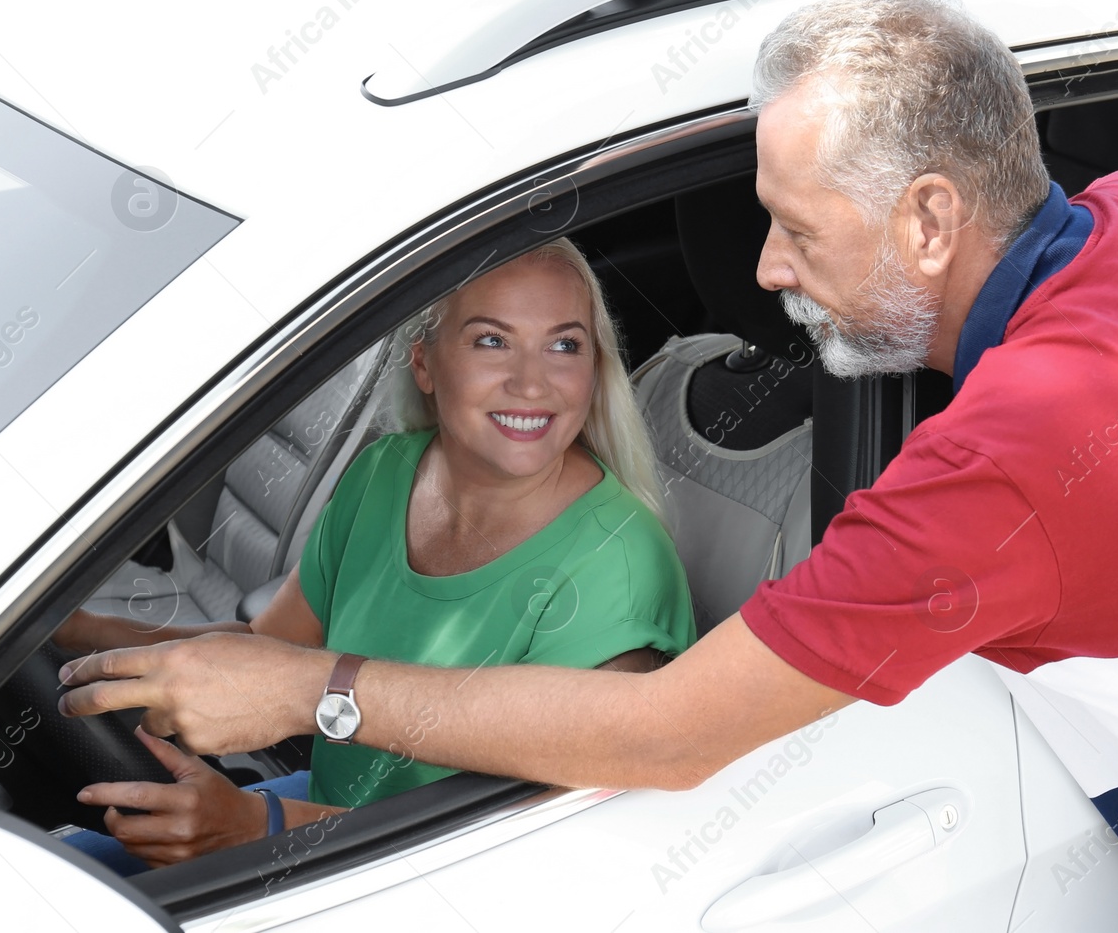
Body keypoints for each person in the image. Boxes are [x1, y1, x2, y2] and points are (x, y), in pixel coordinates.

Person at [60, 0, 1118, 928]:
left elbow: (665, 735)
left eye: (796, 225)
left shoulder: (1004, 470)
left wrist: (312, 688)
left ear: (927, 220)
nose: (764, 269)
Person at [55, 237, 695, 871]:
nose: (532, 383)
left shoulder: (617, 569)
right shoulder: (388, 470)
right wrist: (81, 633)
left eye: (564, 345)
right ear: (424, 363)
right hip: (330, 819)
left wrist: (260, 827)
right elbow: (271, 654)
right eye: (492, 340)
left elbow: (525, 853)